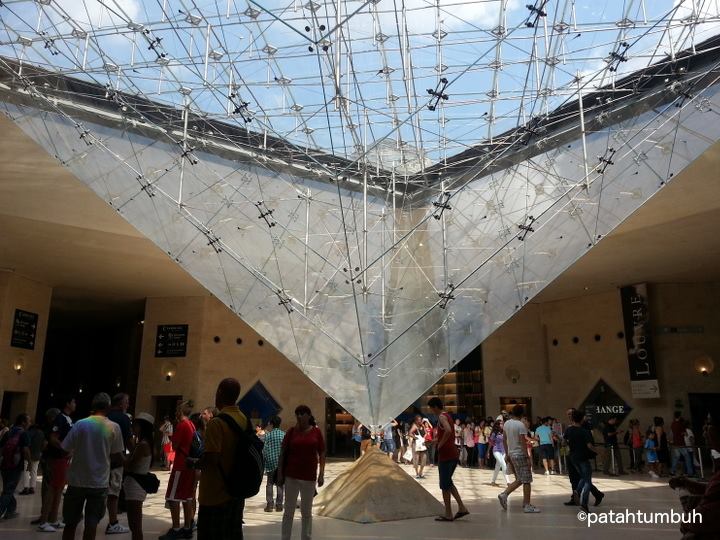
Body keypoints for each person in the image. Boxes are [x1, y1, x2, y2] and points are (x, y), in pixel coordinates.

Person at [60, 393, 124, 540]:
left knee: (70, 523)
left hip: (76, 481)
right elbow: (116, 456)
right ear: (108, 407)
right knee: (92, 524)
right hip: (99, 483)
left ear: (93, 407)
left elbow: (64, 448)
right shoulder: (114, 427)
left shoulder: (80, 424)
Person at [197, 378, 247, 540]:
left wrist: (195, 463)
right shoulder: (243, 419)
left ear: (219, 393)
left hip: (215, 495)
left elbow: (212, 459)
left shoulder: (216, 423)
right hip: (237, 492)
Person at [278, 405, 325, 540]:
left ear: (309, 416)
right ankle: (285, 537)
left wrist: (321, 474)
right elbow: (283, 453)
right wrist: (280, 474)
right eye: (297, 413)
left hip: (309, 477)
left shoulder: (316, 432)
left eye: (302, 413)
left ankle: (306, 537)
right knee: (288, 511)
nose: (299, 416)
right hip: (291, 476)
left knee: (306, 512)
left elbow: (322, 453)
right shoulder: (291, 432)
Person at [36, 395, 76, 532]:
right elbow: (53, 438)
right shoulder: (60, 418)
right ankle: (43, 521)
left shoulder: (68, 419)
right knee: (53, 489)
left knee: (59, 489)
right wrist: (65, 449)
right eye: (73, 401)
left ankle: (52, 519)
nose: (75, 404)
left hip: (64, 459)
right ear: (67, 403)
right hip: (58, 458)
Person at [159, 401, 196, 540]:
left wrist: (172, 438)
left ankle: (175, 529)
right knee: (187, 497)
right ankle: (187, 528)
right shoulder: (191, 424)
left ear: (180, 411)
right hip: (189, 465)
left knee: (172, 497)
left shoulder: (182, 425)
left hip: (180, 465)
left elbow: (174, 444)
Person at [428, 397, 469, 522]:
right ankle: (461, 508)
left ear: (435, 407)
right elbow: (448, 433)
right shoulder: (448, 416)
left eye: (431, 408)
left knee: (444, 485)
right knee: (448, 483)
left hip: (446, 454)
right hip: (452, 453)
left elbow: (448, 430)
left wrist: (439, 445)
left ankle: (448, 513)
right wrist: (433, 442)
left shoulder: (441, 417)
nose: (431, 411)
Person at [498, 404, 540, 513]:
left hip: (512, 454)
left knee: (521, 479)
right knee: (527, 480)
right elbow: (522, 442)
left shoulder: (507, 423)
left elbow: (504, 440)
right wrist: (527, 457)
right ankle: (527, 505)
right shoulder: (520, 425)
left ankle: (504, 494)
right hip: (520, 454)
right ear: (522, 413)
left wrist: (507, 454)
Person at [123, 412, 155, 540]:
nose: (132, 427)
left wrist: (118, 456)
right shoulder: (144, 443)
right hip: (136, 485)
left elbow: (129, 465)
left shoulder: (142, 445)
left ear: (142, 427)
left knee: (135, 525)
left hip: (135, 486)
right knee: (134, 524)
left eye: (135, 425)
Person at [564, 409, 603, 513]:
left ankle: (577, 491)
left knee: (583, 477)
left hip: (573, 458)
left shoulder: (569, 430)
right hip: (583, 458)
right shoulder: (584, 432)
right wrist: (598, 451)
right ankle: (584, 503)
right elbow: (589, 445)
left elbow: (565, 440)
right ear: (582, 419)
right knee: (587, 481)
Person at [106, 393, 132, 535]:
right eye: (126, 402)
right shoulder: (123, 418)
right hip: (116, 460)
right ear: (120, 404)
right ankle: (112, 522)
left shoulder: (106, 416)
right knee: (113, 492)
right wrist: (134, 455)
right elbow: (128, 440)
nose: (128, 404)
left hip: (101, 459)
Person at [0, 413, 31, 520]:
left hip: (4, 465)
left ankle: (10, 511)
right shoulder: (24, 434)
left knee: (7, 489)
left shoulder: (8, 432)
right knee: (9, 490)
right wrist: (29, 463)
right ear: (23, 422)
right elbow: (26, 450)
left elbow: (1, 448)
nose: (30, 423)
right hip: (15, 466)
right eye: (28, 421)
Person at [263, 416, 285, 513]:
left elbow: (264, 450)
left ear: (272, 424)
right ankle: (279, 505)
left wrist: (264, 462)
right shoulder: (283, 435)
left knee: (270, 483)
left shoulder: (268, 436)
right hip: (281, 464)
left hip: (270, 463)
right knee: (280, 484)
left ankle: (269, 505)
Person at [19, 418, 45, 496]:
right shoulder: (42, 433)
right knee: (34, 471)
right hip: (37, 455)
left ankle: (26, 488)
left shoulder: (28, 432)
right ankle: (32, 488)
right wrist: (41, 451)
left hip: (28, 455)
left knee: (26, 471)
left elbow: (26, 445)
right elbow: (44, 444)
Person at [671, 411, 694, 476]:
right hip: (681, 443)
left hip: (675, 443)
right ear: (680, 416)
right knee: (687, 457)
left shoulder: (672, 424)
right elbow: (685, 434)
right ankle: (690, 472)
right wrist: (683, 433)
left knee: (676, 457)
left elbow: (674, 433)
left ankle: (672, 471)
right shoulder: (681, 424)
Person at [488, 419, 510, 486]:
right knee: (503, 464)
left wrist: (507, 451)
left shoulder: (504, 432)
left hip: (503, 451)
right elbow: (490, 442)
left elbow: (506, 442)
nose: (502, 425)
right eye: (501, 423)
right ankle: (508, 482)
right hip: (496, 450)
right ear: (497, 425)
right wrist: (488, 451)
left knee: (497, 466)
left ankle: (493, 481)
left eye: (503, 423)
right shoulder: (494, 433)